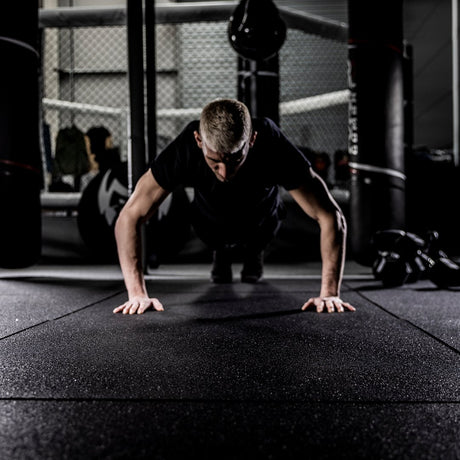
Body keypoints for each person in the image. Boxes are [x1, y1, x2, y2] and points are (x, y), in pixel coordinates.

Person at [114, 99, 355, 315]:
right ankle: (222, 252)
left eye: (234, 159)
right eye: (215, 161)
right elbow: (129, 217)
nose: (225, 172)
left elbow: (330, 215)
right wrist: (137, 293)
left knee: (259, 241)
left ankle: (254, 252)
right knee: (215, 240)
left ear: (252, 139)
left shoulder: (271, 142)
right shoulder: (185, 148)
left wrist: (329, 292)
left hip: (261, 218)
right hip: (209, 220)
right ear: (199, 140)